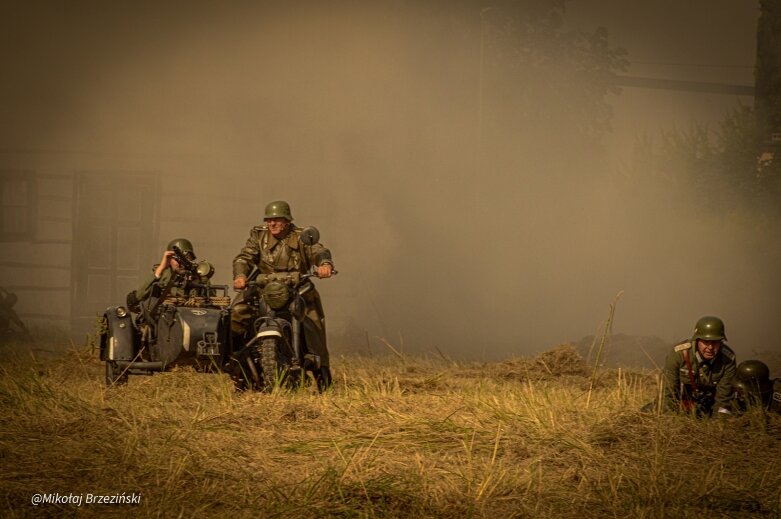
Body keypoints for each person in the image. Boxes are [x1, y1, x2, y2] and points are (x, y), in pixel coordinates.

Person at [231, 200, 334, 383]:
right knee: (237, 312)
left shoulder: (301, 236)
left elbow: (318, 251)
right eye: (269, 220)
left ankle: (321, 373)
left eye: (277, 220)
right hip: (264, 289)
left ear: (287, 221)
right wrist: (240, 276)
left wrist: (324, 264)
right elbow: (244, 257)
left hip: (297, 289)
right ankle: (237, 363)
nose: (272, 224)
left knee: (313, 323)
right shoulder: (258, 236)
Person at [649, 316, 737, 416]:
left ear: (721, 342)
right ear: (697, 340)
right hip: (681, 404)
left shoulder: (728, 359)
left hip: (711, 406)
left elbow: (724, 398)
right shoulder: (679, 355)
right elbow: (668, 392)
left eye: (715, 342)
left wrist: (718, 424)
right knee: (650, 410)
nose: (710, 347)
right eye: (706, 342)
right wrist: (671, 419)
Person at [126, 238, 200, 314]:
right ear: (169, 259)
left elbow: (211, 304)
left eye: (187, 258)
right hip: (163, 320)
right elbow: (138, 298)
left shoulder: (198, 277)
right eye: (176, 259)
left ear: (192, 259)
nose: (181, 263)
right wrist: (161, 268)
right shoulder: (162, 276)